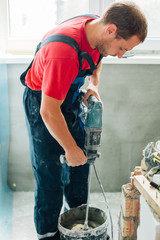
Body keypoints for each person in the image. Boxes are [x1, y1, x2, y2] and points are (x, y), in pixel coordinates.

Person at [22, 2, 147, 240]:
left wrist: (94, 84)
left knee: (81, 164)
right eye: (121, 48)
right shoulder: (63, 52)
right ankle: (48, 235)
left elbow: (99, 55)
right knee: (50, 175)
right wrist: (69, 148)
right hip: (42, 103)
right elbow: (49, 112)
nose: (120, 55)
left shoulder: (97, 29)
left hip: (68, 98)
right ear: (110, 30)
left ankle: (77, 222)